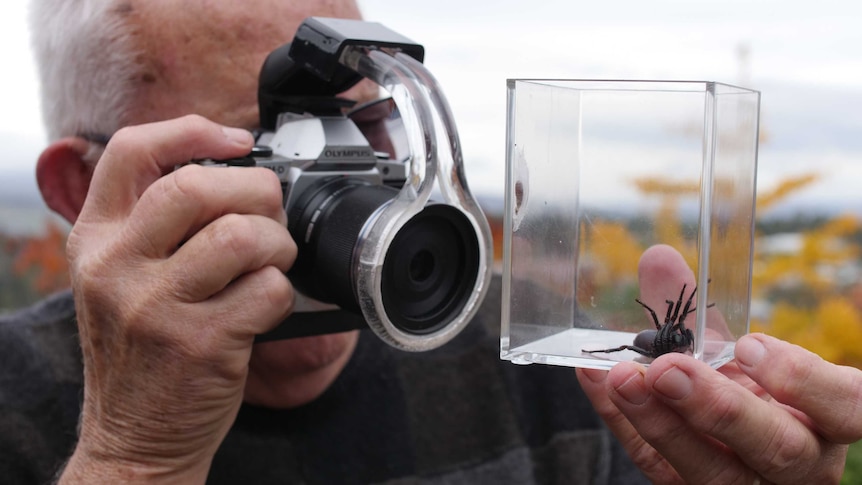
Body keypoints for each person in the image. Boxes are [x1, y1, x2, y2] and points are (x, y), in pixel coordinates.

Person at [1, 0, 859, 483]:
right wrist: (135, 458)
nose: (348, 181)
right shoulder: (19, 403)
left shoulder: (532, 368)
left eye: (368, 123)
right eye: (272, 148)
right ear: (84, 191)